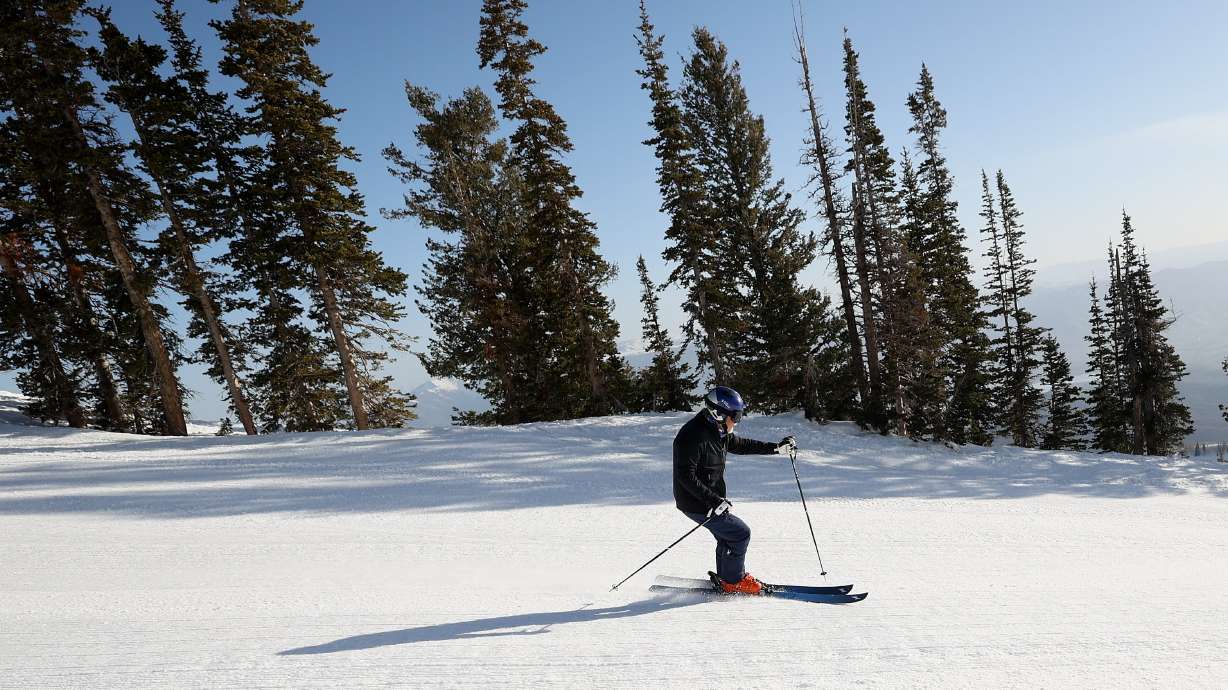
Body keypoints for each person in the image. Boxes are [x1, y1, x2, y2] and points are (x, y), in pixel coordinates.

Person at [673, 385, 796, 594]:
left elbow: (740, 444)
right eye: (736, 416)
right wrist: (713, 501)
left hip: (709, 500)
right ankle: (734, 581)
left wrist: (775, 448)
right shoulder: (692, 436)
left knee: (728, 536)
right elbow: (686, 476)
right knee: (740, 533)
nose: (737, 421)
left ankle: (727, 578)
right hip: (696, 501)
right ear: (718, 413)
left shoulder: (717, 430)